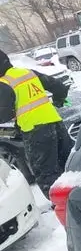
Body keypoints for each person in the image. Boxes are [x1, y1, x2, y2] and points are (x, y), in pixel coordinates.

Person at [0, 50, 72, 196]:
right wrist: (58, 101)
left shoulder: (4, 83)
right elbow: (59, 86)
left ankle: (63, 209)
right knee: (70, 165)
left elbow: (4, 114)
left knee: (46, 174)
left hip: (36, 132)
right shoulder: (27, 72)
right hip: (56, 124)